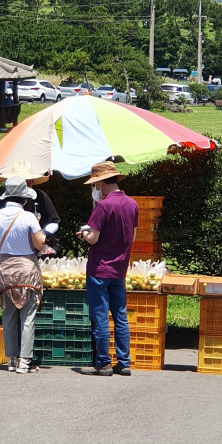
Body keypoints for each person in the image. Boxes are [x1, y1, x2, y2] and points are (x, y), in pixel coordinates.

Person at [77, 161, 139, 376]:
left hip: (100, 268)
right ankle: (124, 362)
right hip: (120, 269)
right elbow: (133, 235)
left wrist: (85, 233)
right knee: (120, 316)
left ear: (101, 183)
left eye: (95, 184)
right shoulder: (132, 204)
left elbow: (93, 239)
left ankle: (103, 361)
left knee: (101, 316)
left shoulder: (103, 206)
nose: (95, 188)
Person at [0, 176, 46, 373]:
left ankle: (11, 358)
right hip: (27, 268)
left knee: (8, 314)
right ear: (24, 199)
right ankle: (24, 360)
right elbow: (39, 243)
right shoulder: (29, 218)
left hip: (5, 267)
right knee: (28, 316)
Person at [0, 159, 60, 255]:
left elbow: (54, 221)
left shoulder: (41, 196)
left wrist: (42, 233)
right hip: (9, 251)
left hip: (35, 251)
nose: (25, 188)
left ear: (32, 181)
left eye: (27, 183)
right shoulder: (0, 200)